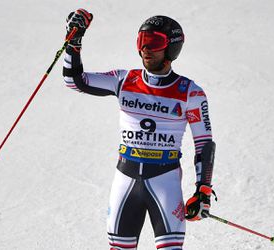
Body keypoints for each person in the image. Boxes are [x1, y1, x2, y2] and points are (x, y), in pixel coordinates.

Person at [63, 9, 216, 250]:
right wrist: (74, 41)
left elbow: (204, 145)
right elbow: (75, 80)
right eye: (142, 41)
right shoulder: (124, 80)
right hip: (125, 177)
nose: (145, 49)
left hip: (164, 180)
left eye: (154, 42)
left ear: (172, 48)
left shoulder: (191, 92)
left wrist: (203, 190)